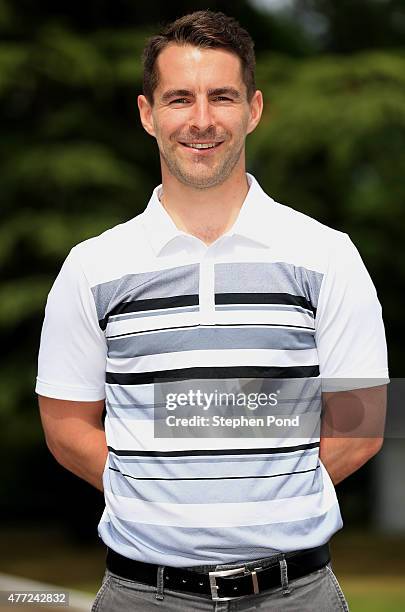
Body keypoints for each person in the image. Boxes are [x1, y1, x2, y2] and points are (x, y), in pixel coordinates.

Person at [36, 10, 388, 611]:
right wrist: (155, 500)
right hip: (141, 595)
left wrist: (271, 499)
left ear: (252, 109)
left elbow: (362, 425)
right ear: (148, 114)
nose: (201, 120)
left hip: (295, 596)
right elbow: (66, 426)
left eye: (221, 97)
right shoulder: (92, 267)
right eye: (179, 99)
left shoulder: (328, 253)